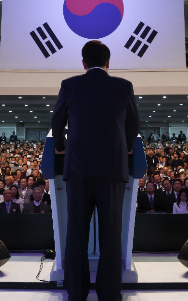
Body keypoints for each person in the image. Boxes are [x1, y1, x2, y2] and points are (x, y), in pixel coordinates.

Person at [51, 40, 139, 301]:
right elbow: (133, 124)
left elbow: (57, 120)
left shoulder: (70, 85)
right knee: (111, 234)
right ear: (108, 63)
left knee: (76, 232)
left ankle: (76, 291)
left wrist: (60, 146)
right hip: (112, 169)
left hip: (78, 168)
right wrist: (127, 146)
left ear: (83, 63)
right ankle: (109, 292)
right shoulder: (123, 86)